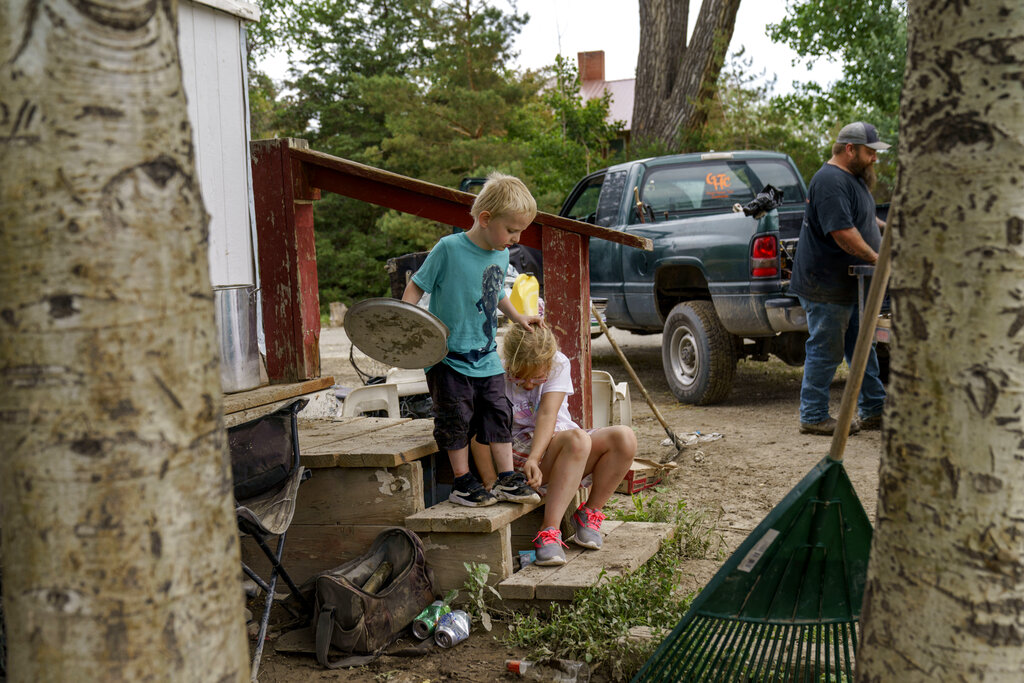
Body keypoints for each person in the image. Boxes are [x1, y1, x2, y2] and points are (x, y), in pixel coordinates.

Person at [402, 172, 543, 507]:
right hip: (447, 356)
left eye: (520, 231)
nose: (516, 238)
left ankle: (507, 478)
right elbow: (417, 285)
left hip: (486, 355)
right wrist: (405, 321)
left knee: (498, 412)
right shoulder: (449, 249)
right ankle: (463, 482)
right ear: (485, 219)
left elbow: (495, 293)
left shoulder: (501, 253)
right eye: (511, 230)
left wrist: (517, 317)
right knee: (455, 418)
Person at [499, 323, 636, 566]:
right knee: (577, 439)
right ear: (509, 363)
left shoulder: (559, 363)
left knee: (624, 439)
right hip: (521, 449)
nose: (529, 385)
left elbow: (547, 414)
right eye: (520, 377)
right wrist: (532, 459)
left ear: (549, 364)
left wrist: (537, 456)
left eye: (537, 378)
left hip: (557, 443)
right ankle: (548, 532)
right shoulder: (498, 370)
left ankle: (588, 514)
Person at [789, 121, 889, 436]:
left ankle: (874, 410)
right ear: (850, 150)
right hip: (826, 285)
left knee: (863, 347)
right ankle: (814, 415)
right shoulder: (830, 180)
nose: (875, 158)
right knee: (826, 348)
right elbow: (842, 233)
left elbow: (858, 217)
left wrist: (885, 228)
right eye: (870, 152)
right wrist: (877, 258)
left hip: (850, 285)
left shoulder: (852, 179)